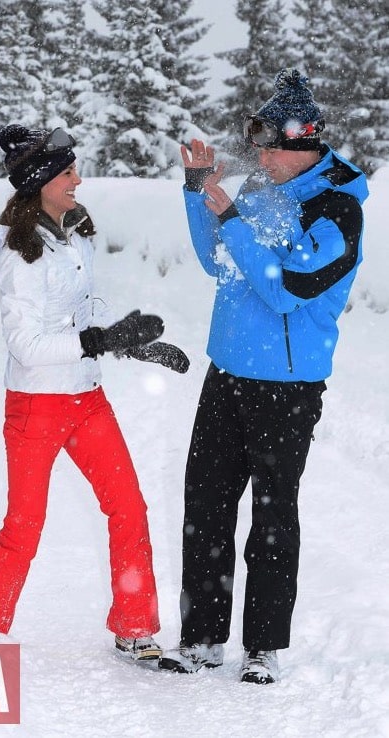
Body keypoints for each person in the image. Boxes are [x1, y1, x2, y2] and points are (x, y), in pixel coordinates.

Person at [158, 69, 368, 682]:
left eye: (272, 145)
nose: (261, 155)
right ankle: (201, 640)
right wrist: (201, 191)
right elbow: (216, 259)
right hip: (226, 374)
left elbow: (289, 287)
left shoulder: (338, 211)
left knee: (272, 516)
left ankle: (264, 648)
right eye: (259, 145)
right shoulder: (262, 189)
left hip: (288, 387)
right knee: (206, 507)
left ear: (307, 142)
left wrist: (231, 220)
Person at [0, 123, 188, 662]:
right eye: (68, 172)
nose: (78, 180)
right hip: (36, 406)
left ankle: (135, 628)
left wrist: (127, 341)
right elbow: (25, 342)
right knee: (24, 528)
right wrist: (94, 341)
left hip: (86, 401)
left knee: (129, 508)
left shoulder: (72, 235)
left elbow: (84, 307)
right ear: (41, 180)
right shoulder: (20, 255)